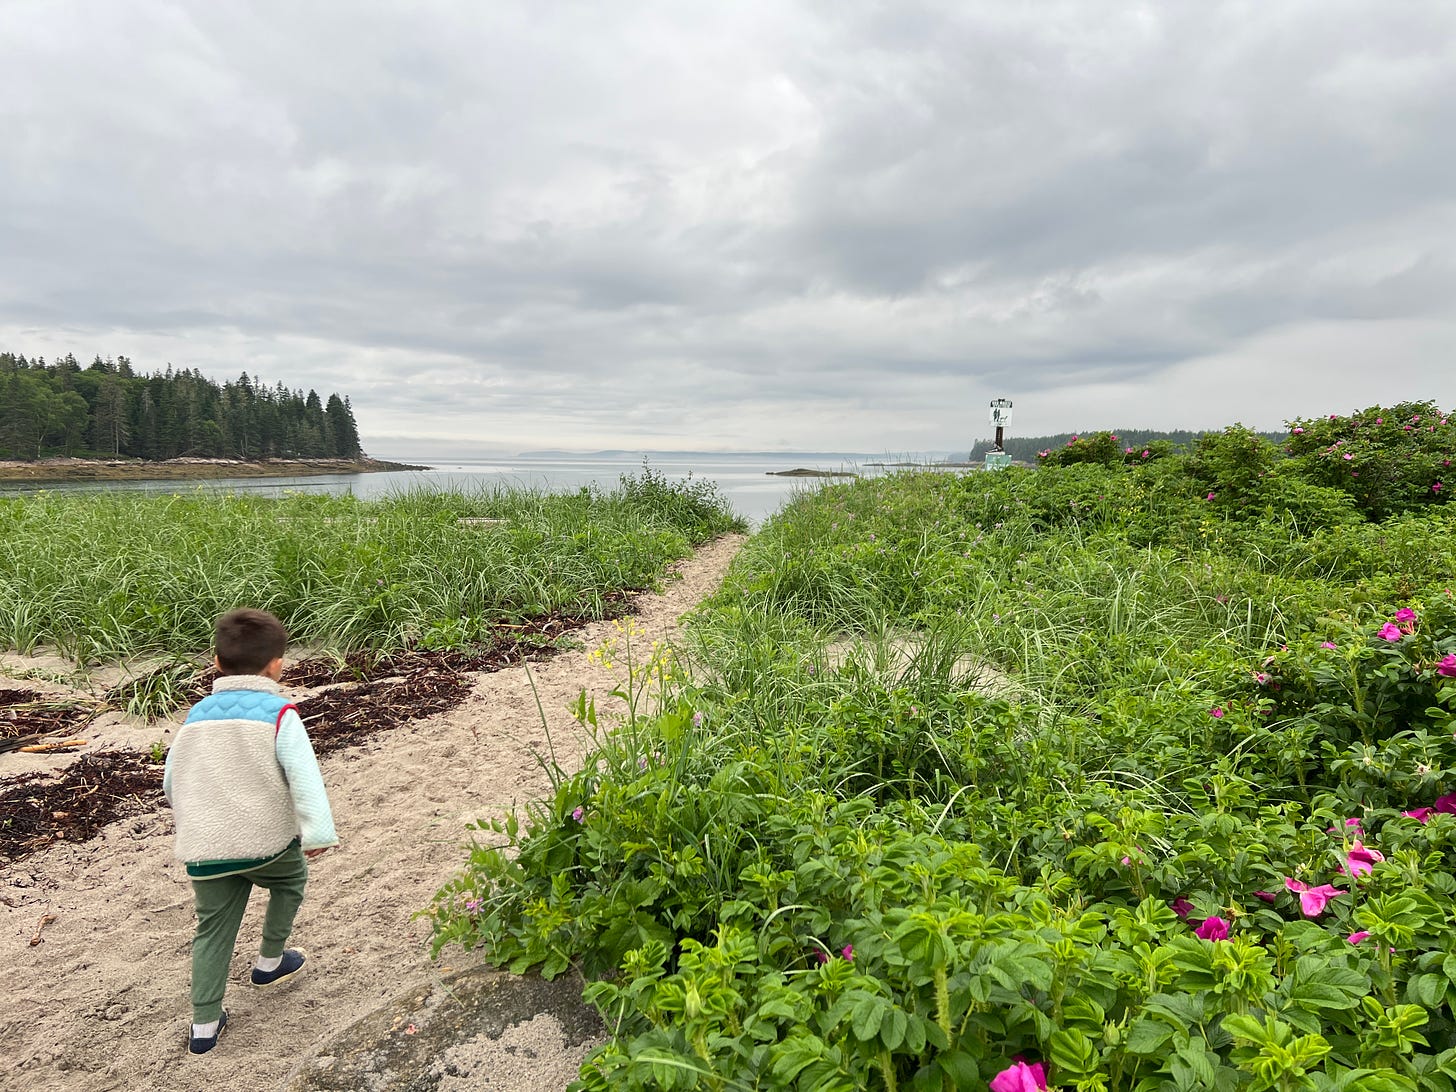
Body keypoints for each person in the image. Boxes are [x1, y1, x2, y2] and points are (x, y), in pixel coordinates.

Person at [162, 607, 339, 1055]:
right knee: (292, 881)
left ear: (216, 662)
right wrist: (316, 832)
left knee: (212, 930)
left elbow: (171, 779)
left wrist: (193, 817)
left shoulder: (196, 715)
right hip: (264, 844)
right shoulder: (280, 713)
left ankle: (203, 1027)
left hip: (204, 847)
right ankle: (270, 961)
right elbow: (304, 776)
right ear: (277, 664)